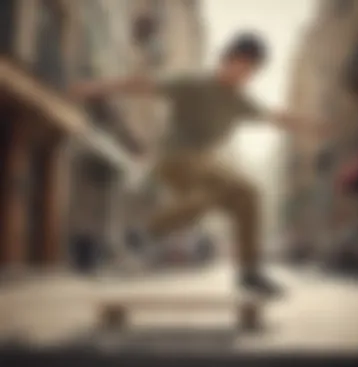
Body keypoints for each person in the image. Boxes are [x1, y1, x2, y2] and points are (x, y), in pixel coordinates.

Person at [71, 32, 325, 298]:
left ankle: (249, 272)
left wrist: (313, 126)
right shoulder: (193, 83)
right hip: (173, 160)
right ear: (226, 60)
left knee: (247, 194)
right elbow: (142, 84)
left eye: (251, 70)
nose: (244, 74)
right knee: (219, 186)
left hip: (204, 168)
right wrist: (95, 88)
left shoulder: (240, 100)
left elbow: (276, 117)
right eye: (241, 65)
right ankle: (143, 235)